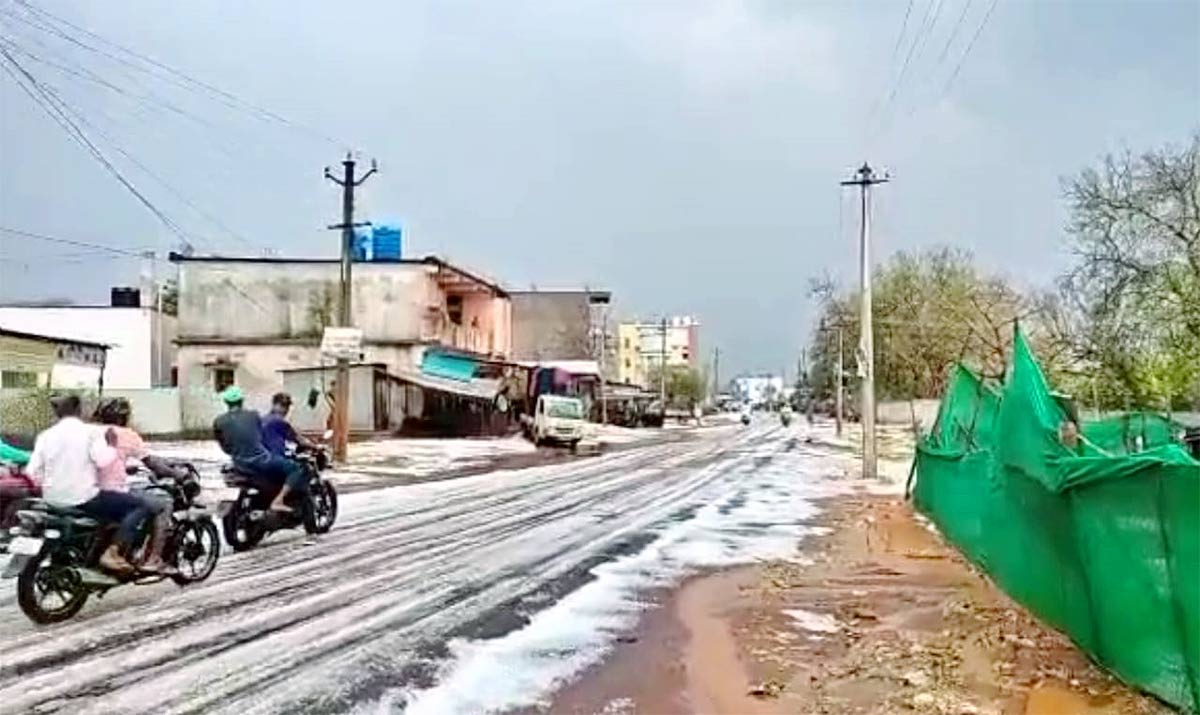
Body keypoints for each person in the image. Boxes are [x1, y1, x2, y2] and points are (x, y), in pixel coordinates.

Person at [26, 394, 149, 573]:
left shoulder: (45, 435)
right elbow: (103, 461)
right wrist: (112, 445)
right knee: (139, 506)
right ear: (78, 410)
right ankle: (112, 553)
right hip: (84, 498)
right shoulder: (91, 432)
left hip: (51, 498)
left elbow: (32, 471)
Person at [93, 398, 179, 574]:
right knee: (162, 504)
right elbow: (153, 464)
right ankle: (152, 559)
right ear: (124, 417)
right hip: (110, 491)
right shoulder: (127, 435)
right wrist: (178, 473)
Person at [213, 386, 307, 513]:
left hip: (238, 463)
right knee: (295, 468)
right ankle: (278, 501)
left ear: (226, 402)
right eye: (283, 405)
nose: (285, 409)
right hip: (262, 461)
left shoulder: (219, 421)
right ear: (241, 401)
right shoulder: (253, 415)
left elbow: (224, 445)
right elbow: (259, 436)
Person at [261, 392, 315, 459]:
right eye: (283, 405)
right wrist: (315, 446)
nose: (285, 410)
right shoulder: (280, 422)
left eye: (287, 406)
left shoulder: (262, 419)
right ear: (274, 405)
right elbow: (299, 440)